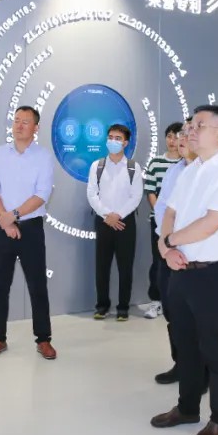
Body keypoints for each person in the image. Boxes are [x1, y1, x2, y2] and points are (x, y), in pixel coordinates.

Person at [151, 105, 218, 435]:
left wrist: (169, 242)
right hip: (181, 268)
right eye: (190, 126)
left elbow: (211, 222)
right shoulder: (191, 169)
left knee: (213, 348)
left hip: (214, 273)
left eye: (198, 126)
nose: (190, 131)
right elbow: (170, 211)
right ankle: (187, 407)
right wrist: (166, 248)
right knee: (185, 344)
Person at [0, 106, 57, 360]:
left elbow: (42, 194)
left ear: (36, 128)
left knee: (37, 286)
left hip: (31, 228)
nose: (19, 125)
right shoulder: (0, 153)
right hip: (2, 227)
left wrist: (13, 216)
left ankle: (44, 339)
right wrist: (5, 221)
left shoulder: (43, 156)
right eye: (16, 120)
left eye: (25, 122)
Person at [87, 124, 144, 322]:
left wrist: (118, 215)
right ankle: (102, 306)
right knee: (102, 267)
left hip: (125, 223)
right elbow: (92, 194)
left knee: (125, 267)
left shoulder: (133, 167)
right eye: (110, 137)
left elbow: (136, 196)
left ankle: (123, 307)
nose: (113, 141)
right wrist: (107, 215)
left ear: (126, 143)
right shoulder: (97, 166)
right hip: (103, 221)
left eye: (118, 138)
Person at [152, 120, 195, 385]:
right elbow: (162, 209)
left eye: (186, 135)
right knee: (172, 310)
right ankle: (181, 363)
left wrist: (176, 241)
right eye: (178, 135)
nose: (180, 140)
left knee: (193, 315)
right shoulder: (173, 170)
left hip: (192, 253)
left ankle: (199, 371)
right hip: (167, 249)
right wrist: (165, 242)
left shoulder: (205, 172)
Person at [143, 122, 184, 319]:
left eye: (177, 136)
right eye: (169, 136)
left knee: (180, 261)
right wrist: (162, 218)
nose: (172, 141)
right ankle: (156, 301)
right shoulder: (156, 163)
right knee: (159, 262)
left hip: (183, 225)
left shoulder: (189, 164)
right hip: (159, 222)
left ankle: (176, 301)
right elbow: (151, 192)